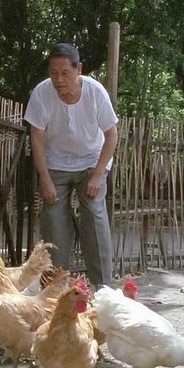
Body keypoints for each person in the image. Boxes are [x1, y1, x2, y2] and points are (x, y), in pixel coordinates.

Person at [25, 43, 118, 288]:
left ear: (79, 70)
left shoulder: (95, 93)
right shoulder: (41, 93)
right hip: (56, 163)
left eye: (65, 73)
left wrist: (98, 174)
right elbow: (37, 138)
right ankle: (55, 287)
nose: (58, 79)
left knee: (95, 214)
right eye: (53, 73)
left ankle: (103, 287)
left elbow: (111, 135)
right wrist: (44, 178)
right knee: (53, 221)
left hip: (92, 162)